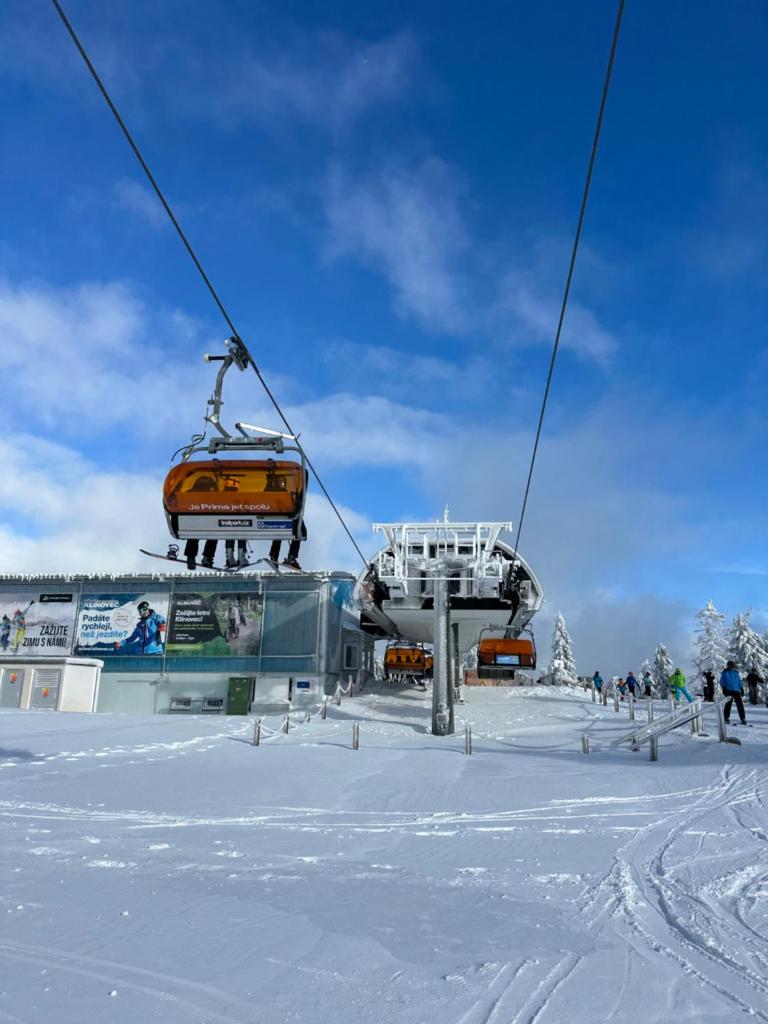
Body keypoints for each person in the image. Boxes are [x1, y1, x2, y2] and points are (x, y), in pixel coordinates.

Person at [719, 660, 747, 725]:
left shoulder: (736, 673)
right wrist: (724, 689)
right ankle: (726, 718)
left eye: (733, 667)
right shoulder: (725, 673)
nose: (733, 668)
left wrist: (741, 688)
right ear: (729, 666)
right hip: (729, 691)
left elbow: (739, 681)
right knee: (728, 705)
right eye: (732, 666)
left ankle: (743, 718)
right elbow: (722, 682)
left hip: (737, 691)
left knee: (740, 705)